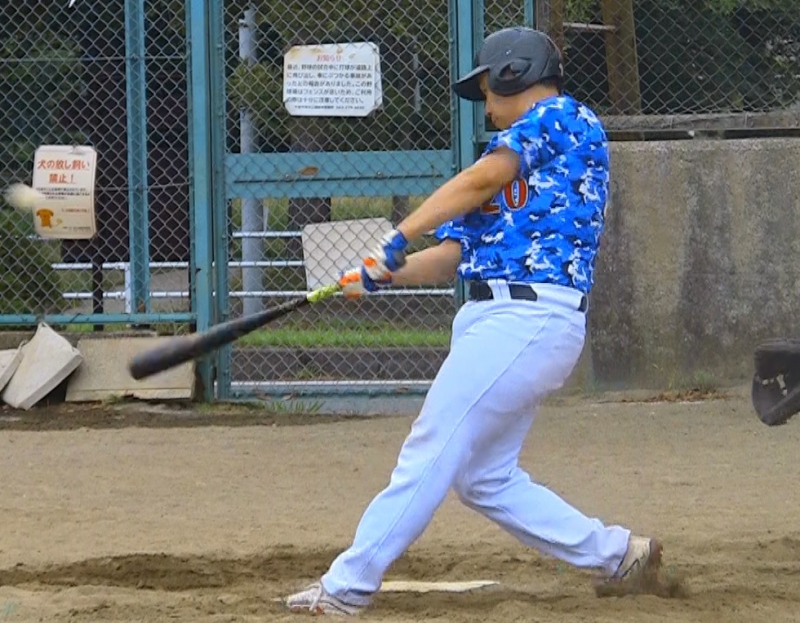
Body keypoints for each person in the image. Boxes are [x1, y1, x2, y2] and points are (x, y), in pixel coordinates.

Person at [283, 26, 662, 615]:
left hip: (528, 316)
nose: (485, 107)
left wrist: (398, 235)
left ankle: (346, 586)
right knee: (484, 477)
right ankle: (618, 555)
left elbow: (478, 180)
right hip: (497, 319)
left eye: (487, 91)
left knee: (431, 445)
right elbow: (454, 255)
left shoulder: (565, 119)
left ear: (515, 73)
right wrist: (383, 274)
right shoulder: (511, 161)